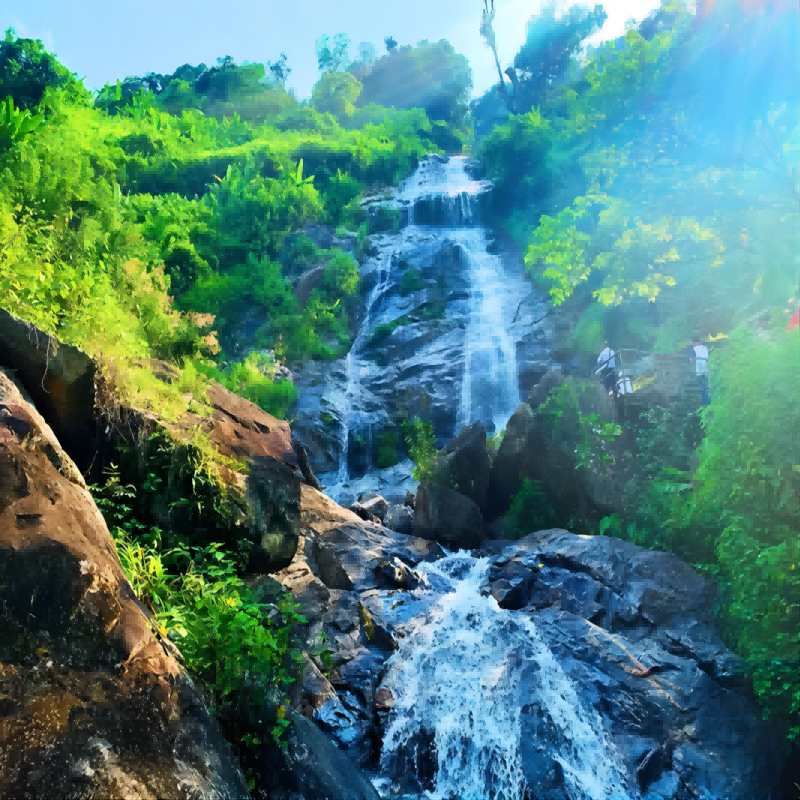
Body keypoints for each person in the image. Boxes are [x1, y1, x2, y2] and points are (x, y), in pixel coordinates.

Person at [692, 336, 709, 405]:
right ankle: (707, 401)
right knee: (705, 386)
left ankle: (703, 403)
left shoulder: (694, 349)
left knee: (700, 386)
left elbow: (692, 358)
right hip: (705, 368)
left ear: (695, 342)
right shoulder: (705, 348)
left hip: (698, 369)